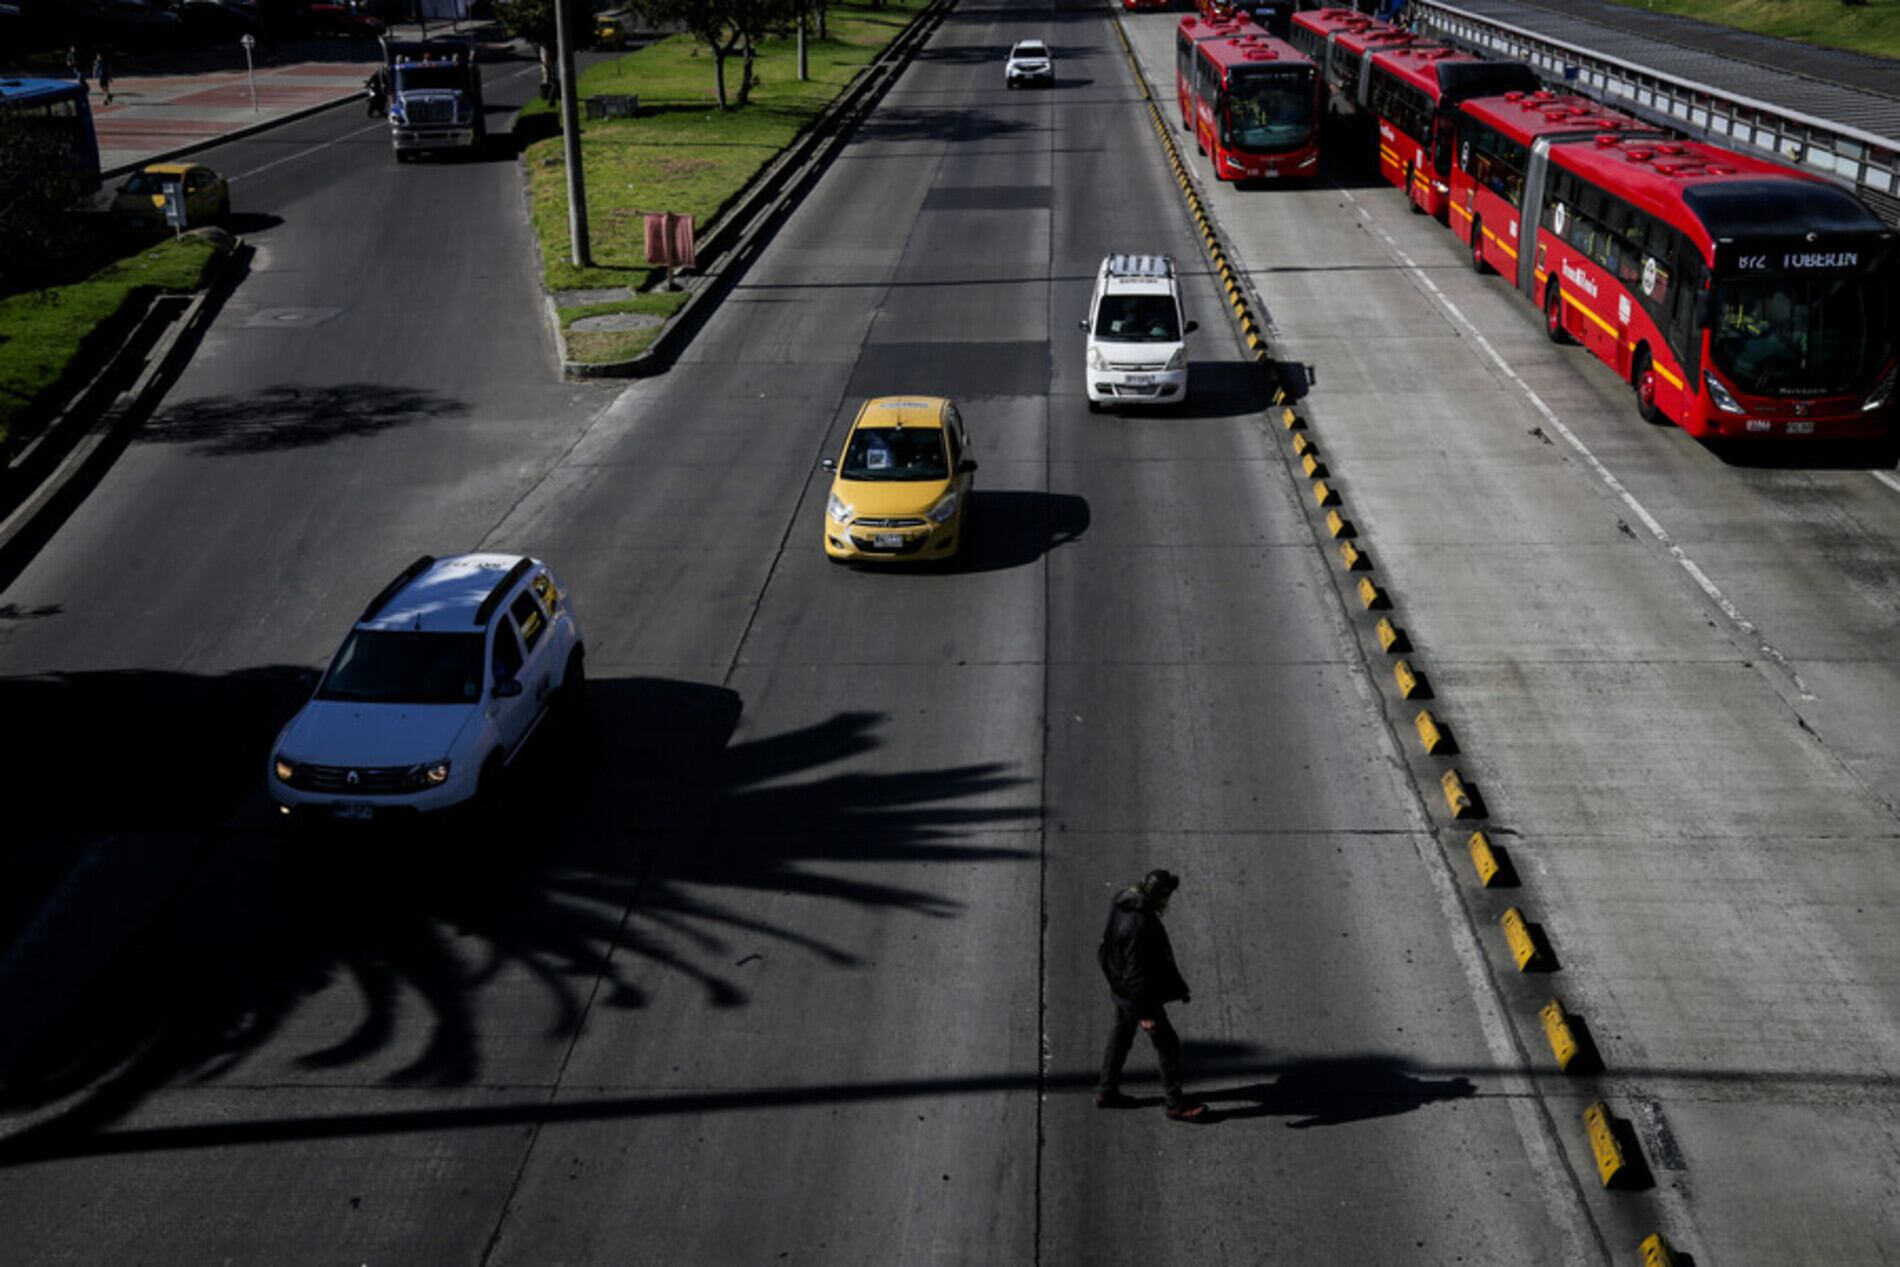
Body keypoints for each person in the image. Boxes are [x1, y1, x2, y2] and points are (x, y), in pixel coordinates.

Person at [1096, 869, 1208, 1121]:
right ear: (1160, 896)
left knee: (1121, 1037)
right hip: (1138, 996)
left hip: (1119, 986)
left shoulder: (1122, 901)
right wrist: (1146, 1014)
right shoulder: (1140, 925)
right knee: (1168, 1046)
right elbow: (1138, 974)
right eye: (1167, 896)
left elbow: (1107, 943)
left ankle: (1107, 1090)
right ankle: (1175, 1104)